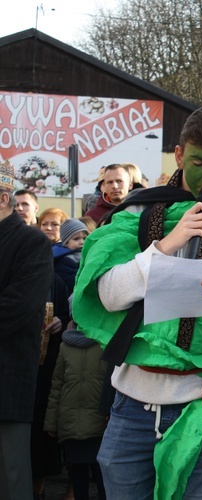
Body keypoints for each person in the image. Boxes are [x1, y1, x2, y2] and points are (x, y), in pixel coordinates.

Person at [72, 104, 202, 498]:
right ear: (179, 155)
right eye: (198, 162)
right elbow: (108, 297)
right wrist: (162, 248)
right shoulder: (138, 211)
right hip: (132, 403)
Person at [0, 160, 54, 500]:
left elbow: (16, 308)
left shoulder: (31, 242)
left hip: (6, 384)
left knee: (11, 479)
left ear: (2, 198)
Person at [44, 321, 108, 500]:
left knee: (95, 477)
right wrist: (51, 421)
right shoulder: (66, 348)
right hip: (91, 422)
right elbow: (57, 384)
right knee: (83, 477)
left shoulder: (104, 344)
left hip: (92, 424)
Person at [52, 218, 90, 294]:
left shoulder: (89, 254)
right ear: (66, 243)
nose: (82, 242)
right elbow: (74, 283)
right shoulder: (64, 261)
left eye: (85, 238)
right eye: (76, 239)